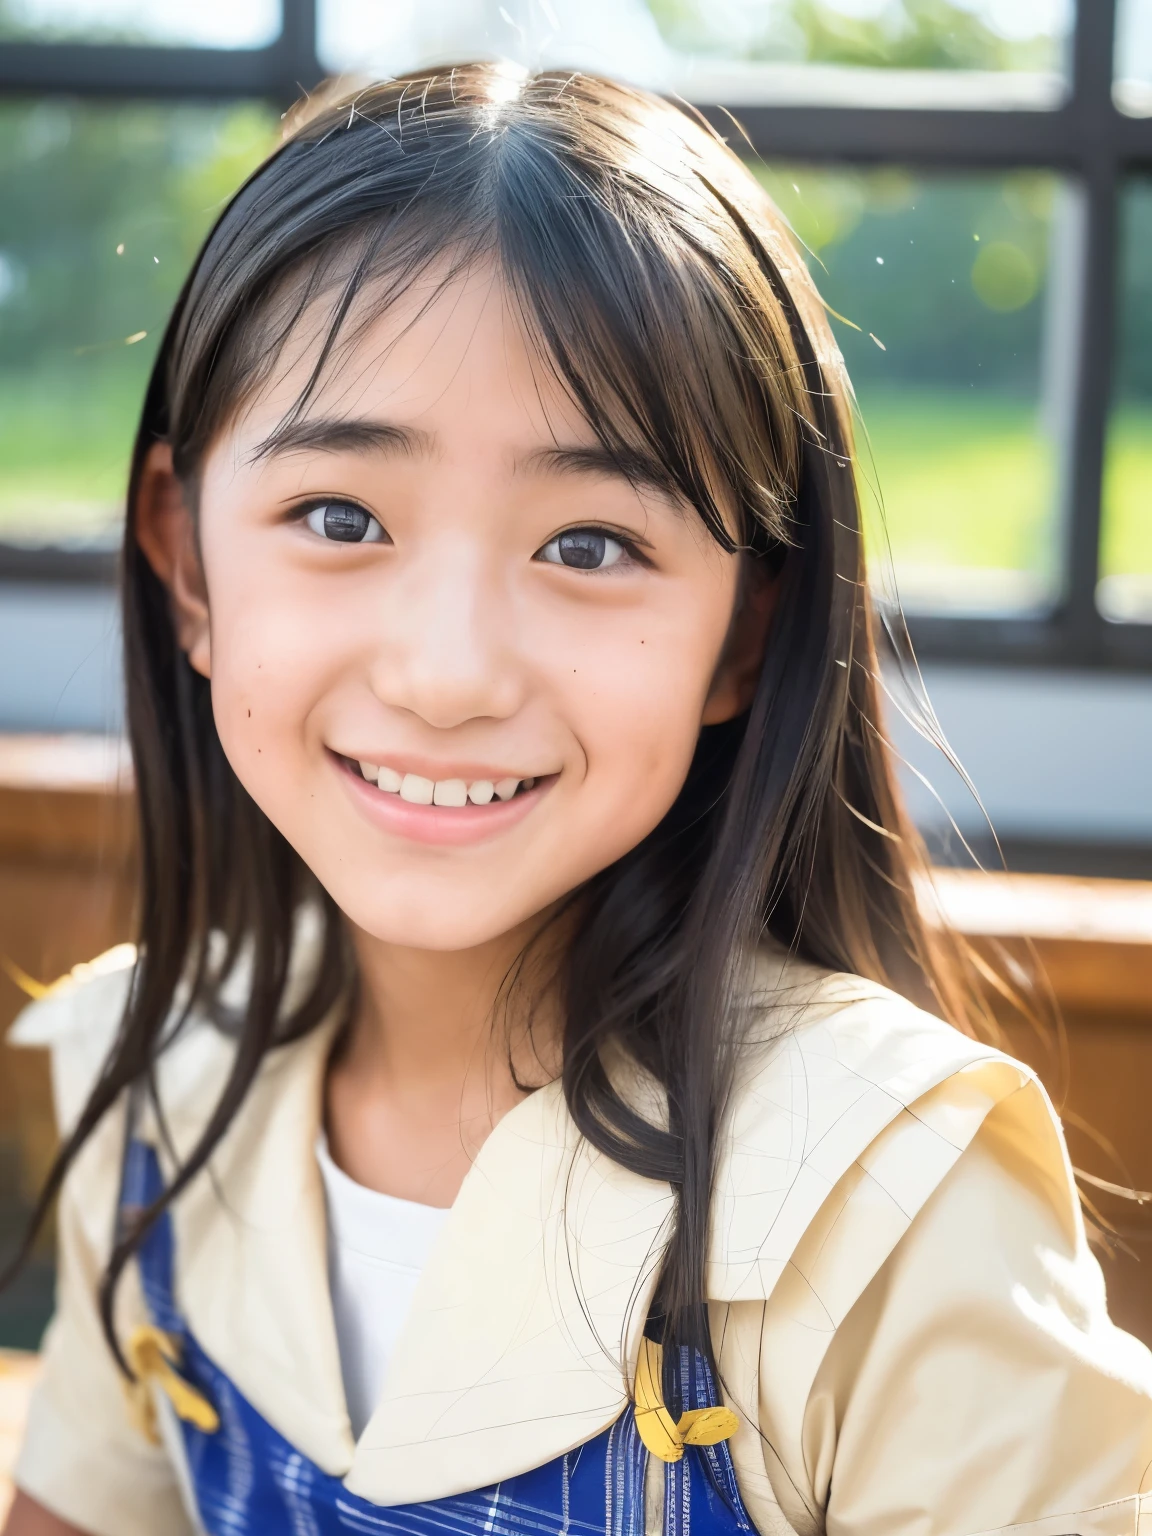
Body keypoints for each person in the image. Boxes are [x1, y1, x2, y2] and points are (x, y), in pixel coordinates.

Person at [4, 64, 1151, 1536]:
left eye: (592, 544)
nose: (448, 672)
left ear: (743, 632)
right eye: (340, 517)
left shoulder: (888, 1203)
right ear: (189, 565)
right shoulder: (163, 1080)